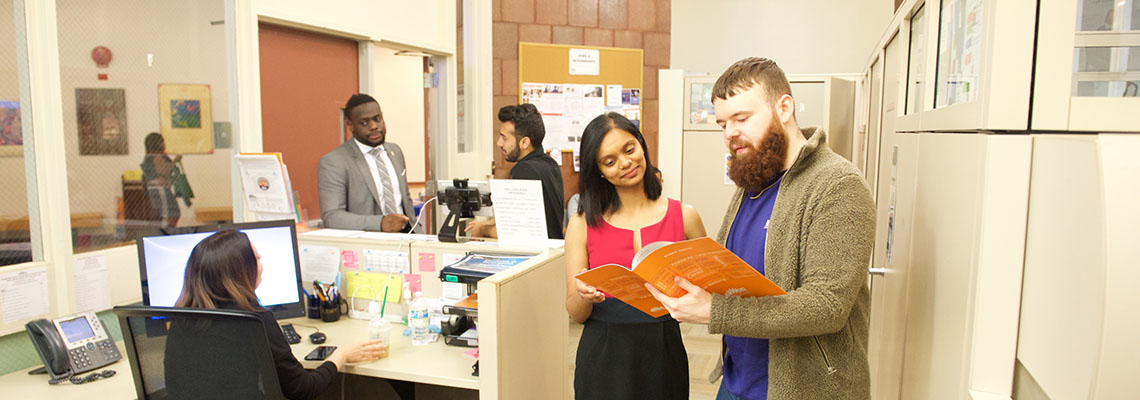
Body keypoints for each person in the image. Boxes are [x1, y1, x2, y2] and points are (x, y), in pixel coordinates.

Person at [645, 57, 875, 400]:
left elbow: (826, 306)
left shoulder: (837, 184)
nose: (729, 133)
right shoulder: (754, 181)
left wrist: (714, 311)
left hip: (802, 390)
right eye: (722, 123)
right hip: (737, 381)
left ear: (784, 107)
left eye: (741, 118)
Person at [565, 113, 707, 400]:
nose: (625, 163)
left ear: (641, 145)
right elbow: (577, 314)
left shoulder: (685, 216)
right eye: (610, 161)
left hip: (663, 350)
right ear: (599, 172)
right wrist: (584, 296)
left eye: (629, 149)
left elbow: (710, 288)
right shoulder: (582, 224)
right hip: (604, 352)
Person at [167, 229, 387, 399]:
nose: (261, 262)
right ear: (240, 272)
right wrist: (341, 355)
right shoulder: (254, 320)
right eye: (257, 258)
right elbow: (302, 389)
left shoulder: (180, 318)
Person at [319, 94, 417, 232]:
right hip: (370, 244)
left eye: (377, 119)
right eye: (364, 123)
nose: (373, 126)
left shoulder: (395, 151)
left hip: (408, 238)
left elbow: (405, 200)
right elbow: (332, 217)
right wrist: (380, 223)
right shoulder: (334, 161)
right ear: (350, 125)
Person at [465, 104, 565, 239]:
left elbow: (517, 232)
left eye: (504, 138)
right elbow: (520, 216)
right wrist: (485, 224)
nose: (499, 143)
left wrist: (483, 230)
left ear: (524, 142)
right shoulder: (549, 164)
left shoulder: (525, 170)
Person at [140, 132, 181, 228]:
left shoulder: (148, 156)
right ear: (157, 143)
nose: (163, 144)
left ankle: (167, 231)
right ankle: (166, 233)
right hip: (160, 190)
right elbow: (164, 171)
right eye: (161, 142)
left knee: (172, 213)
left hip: (156, 190)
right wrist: (175, 161)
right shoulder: (156, 156)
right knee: (169, 214)